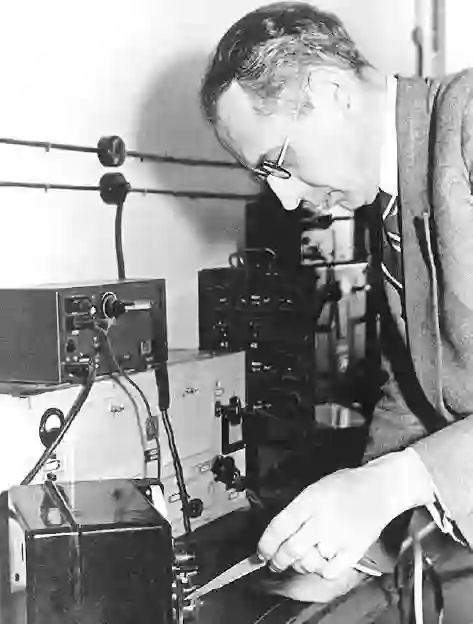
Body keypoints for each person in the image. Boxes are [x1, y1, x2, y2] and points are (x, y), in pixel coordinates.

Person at [200, 1, 473, 604]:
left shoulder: (468, 119)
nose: (285, 200)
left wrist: (397, 482)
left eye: (276, 164)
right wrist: (355, 535)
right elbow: (417, 390)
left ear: (331, 92)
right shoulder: (388, 205)